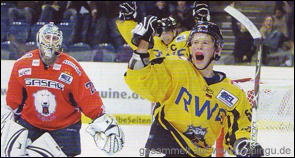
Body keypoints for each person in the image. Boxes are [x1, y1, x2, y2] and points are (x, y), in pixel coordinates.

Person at [124, 16, 264, 157]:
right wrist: (142, 45)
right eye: (195, 42)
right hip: (166, 146)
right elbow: (139, 79)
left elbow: (238, 131)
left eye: (206, 42)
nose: (199, 46)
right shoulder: (176, 68)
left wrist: (244, 145)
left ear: (217, 50)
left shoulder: (233, 93)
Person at [1, 22, 124, 157]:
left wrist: (106, 125)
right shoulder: (22, 65)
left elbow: (88, 99)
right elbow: (13, 102)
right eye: (47, 37)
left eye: (55, 38)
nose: (51, 42)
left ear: (60, 41)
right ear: (39, 39)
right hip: (31, 123)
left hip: (65, 127)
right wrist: (6, 122)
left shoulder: (70, 68)